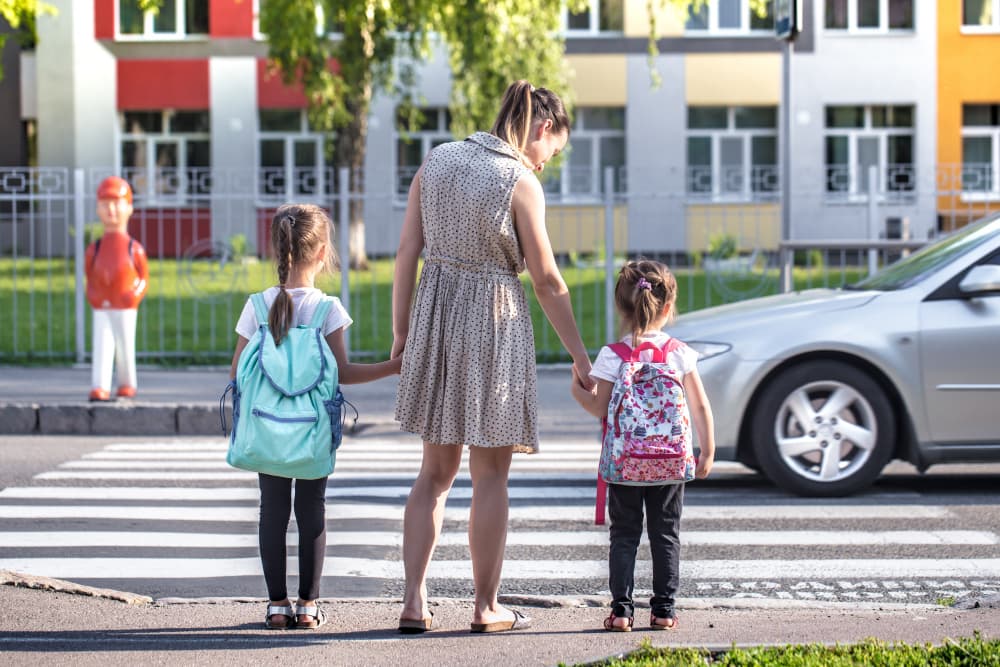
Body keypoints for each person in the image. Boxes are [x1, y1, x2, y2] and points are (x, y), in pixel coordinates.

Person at [391, 80, 595, 634]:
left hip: (435, 311)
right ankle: (485, 608)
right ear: (543, 128)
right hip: (492, 322)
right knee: (490, 476)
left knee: (433, 473)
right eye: (555, 148)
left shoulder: (437, 160)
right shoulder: (519, 181)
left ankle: (413, 601)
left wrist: (401, 331)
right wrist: (580, 356)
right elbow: (549, 282)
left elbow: (408, 250)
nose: (551, 160)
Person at [228, 203, 401, 630]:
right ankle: (307, 605)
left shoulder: (257, 306)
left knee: (272, 511)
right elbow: (343, 373)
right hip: (312, 432)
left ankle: (275, 605)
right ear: (323, 252)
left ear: (277, 250)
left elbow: (237, 373)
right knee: (312, 513)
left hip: (267, 430)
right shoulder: (328, 310)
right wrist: (393, 366)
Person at [570, 259, 715, 632]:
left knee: (624, 537)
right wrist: (707, 449)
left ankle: (621, 613)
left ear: (620, 307)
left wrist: (577, 390)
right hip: (669, 462)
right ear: (668, 307)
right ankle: (664, 611)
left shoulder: (612, 356)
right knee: (666, 534)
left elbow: (598, 407)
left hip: (625, 464)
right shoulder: (679, 353)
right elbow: (699, 404)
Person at [85, 176, 149, 401]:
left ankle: (127, 383)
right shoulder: (95, 248)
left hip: (125, 306)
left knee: (125, 346)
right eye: (105, 204)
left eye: (116, 203)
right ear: (98, 208)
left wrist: (135, 294)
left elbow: (143, 277)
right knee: (101, 345)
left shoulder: (134, 248)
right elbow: (90, 275)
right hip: (102, 306)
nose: (111, 210)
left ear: (129, 208)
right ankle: (100, 385)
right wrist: (93, 295)